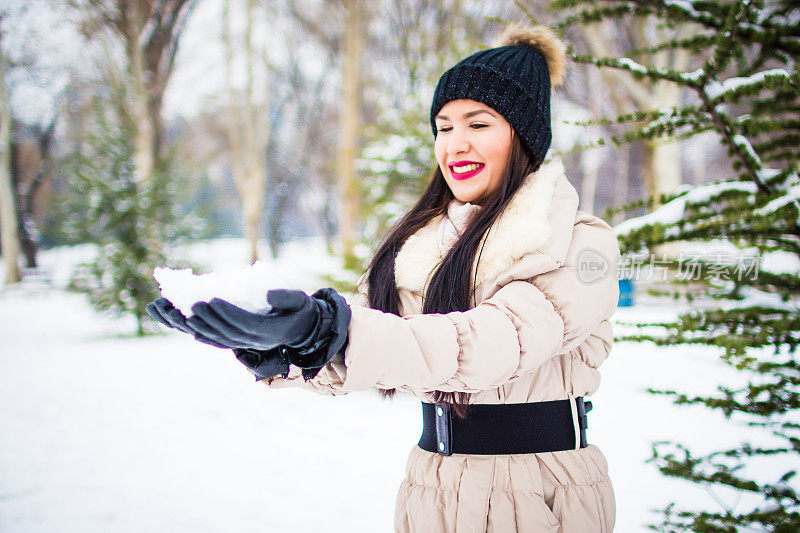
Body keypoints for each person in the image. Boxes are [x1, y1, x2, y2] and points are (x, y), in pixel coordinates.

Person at [148, 21, 620, 533]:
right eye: (444, 127)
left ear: (523, 135)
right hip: (432, 488)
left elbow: (491, 343)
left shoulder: (583, 244)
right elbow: (377, 343)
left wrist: (335, 330)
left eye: (478, 124)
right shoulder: (422, 247)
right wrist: (289, 347)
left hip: (540, 494)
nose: (455, 145)